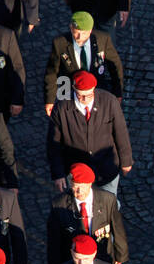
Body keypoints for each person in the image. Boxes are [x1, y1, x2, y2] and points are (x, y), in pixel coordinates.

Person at [47, 69, 134, 197]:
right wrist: (58, 173)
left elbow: (120, 132)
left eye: (89, 95)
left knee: (108, 205)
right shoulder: (61, 108)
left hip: (106, 167)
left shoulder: (109, 101)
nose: (85, 99)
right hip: (78, 172)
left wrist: (126, 161)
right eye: (80, 95)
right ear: (73, 89)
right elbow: (54, 144)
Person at [46, 163, 129, 264]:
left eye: (83, 186)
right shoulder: (58, 204)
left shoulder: (107, 200)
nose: (79, 191)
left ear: (90, 184)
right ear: (71, 184)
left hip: (102, 256)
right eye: (76, 186)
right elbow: (54, 239)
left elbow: (117, 228)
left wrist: (121, 254)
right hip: (74, 260)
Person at [43, 11, 123, 113]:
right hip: (68, 90)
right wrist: (50, 100)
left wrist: (118, 92)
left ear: (90, 30)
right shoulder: (60, 43)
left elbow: (115, 65)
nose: (80, 37)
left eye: (84, 33)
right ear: (71, 28)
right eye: (76, 32)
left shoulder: (102, 39)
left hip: (96, 90)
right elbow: (51, 72)